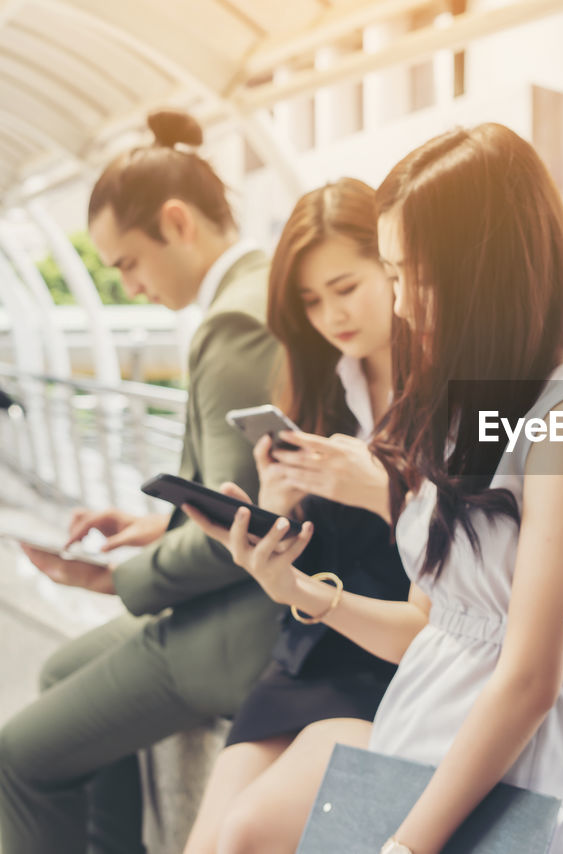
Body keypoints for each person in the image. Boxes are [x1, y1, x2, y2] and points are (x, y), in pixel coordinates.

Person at [187, 122, 563, 854]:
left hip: (501, 779)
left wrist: (406, 844)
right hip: (417, 742)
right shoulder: (470, 407)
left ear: (483, 265)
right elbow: (437, 630)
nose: (398, 306)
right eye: (391, 275)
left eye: (411, 275)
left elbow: (529, 676)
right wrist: (301, 593)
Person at [0, 110, 282, 854]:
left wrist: (113, 579)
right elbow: (253, 492)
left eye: (128, 263)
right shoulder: (256, 292)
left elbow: (240, 537)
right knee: (62, 669)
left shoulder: (234, 325)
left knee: (18, 758)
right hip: (248, 605)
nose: (128, 285)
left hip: (245, 627)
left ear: (178, 222)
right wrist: (159, 527)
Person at [182, 178, 412, 854]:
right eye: (310, 300)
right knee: (206, 844)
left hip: (395, 661)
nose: (330, 315)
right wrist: (271, 519)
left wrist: (379, 492)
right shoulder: (318, 384)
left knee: (247, 835)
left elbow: (462, 556)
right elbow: (311, 569)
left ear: (393, 265)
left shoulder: (448, 393)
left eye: (346, 287)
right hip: (308, 653)